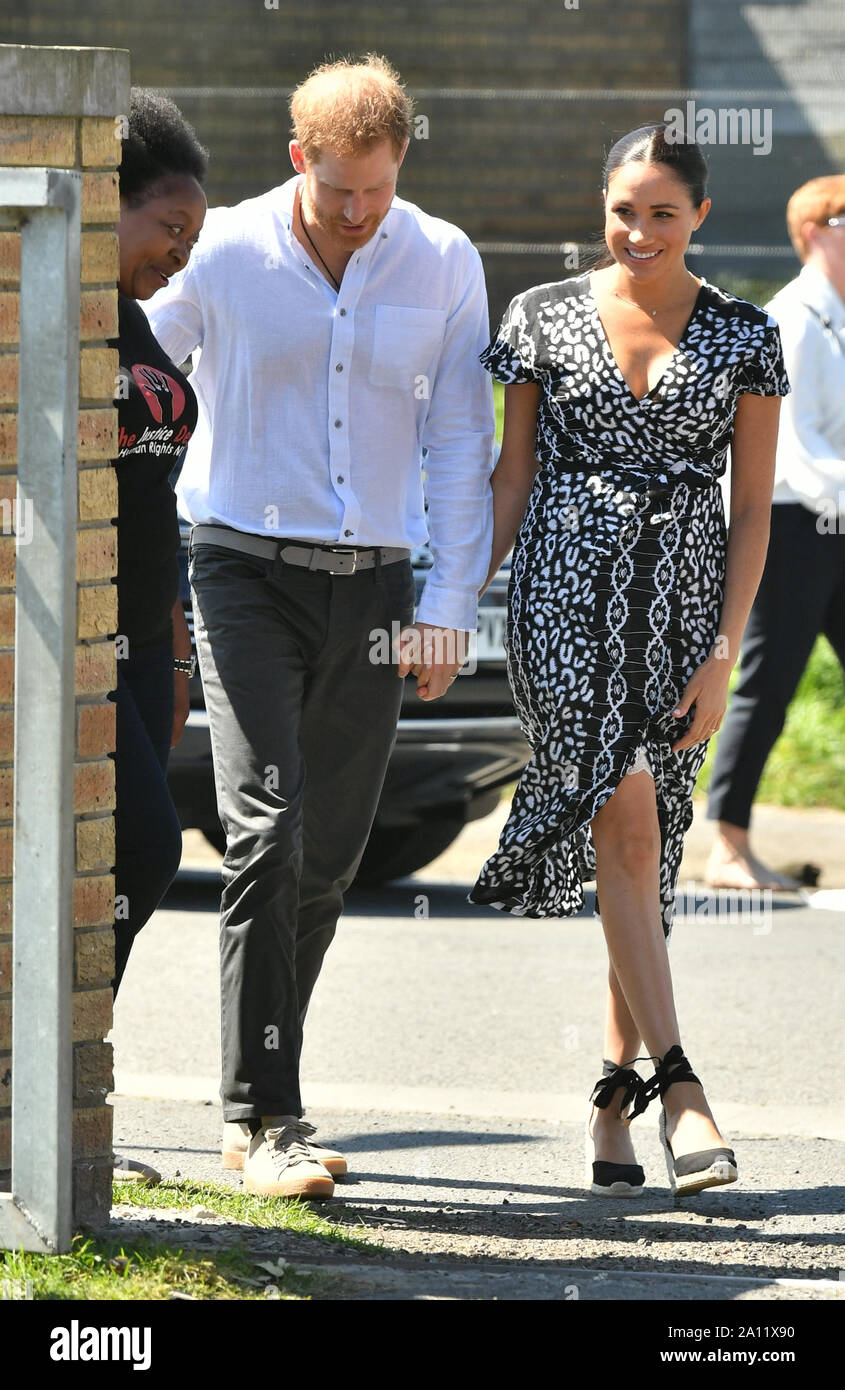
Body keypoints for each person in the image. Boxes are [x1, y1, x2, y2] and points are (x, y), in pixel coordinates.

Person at [145, 55, 494, 1199]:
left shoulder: (442, 258)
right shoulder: (227, 249)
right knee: (267, 826)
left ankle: (258, 1104)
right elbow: (135, 366)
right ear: (299, 156)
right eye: (337, 188)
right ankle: (268, 1113)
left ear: (402, 164)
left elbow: (457, 440)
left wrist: (447, 607)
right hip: (240, 566)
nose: (356, 212)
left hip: (381, 588)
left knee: (330, 857)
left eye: (376, 190)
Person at [469, 125, 789, 1196]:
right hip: (560, 607)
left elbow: (752, 515)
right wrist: (442, 602)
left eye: (661, 211)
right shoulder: (538, 317)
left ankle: (611, 1105)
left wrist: (722, 651)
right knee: (630, 813)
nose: (637, 230)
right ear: (598, 208)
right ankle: (684, 1091)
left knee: (639, 859)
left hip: (683, 622)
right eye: (620, 209)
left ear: (697, 214)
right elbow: (509, 481)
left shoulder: (744, 335)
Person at [110, 88, 208, 1182]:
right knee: (142, 850)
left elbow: (157, 504)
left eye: (191, 236)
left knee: (119, 858)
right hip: (69, 650)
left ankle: (51, 1107)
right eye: (166, 229)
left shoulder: (134, 314)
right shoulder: (51, 303)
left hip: (144, 643)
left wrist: (175, 646)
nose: (177, 256)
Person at [705, 174, 845, 889]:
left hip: (835, 522)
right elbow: (795, 446)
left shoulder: (837, 319)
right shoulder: (790, 318)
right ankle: (727, 847)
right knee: (766, 682)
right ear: (813, 232)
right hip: (791, 526)